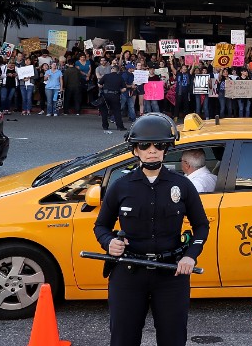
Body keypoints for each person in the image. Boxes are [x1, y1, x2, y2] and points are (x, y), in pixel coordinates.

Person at [93, 113, 209, 346]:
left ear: (167, 148)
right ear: (135, 150)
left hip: (171, 273)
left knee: (173, 338)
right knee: (123, 338)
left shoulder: (182, 185)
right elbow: (101, 226)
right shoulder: (121, 186)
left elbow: (201, 225)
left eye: (159, 145)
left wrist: (190, 256)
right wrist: (108, 242)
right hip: (128, 272)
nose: (152, 150)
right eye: (144, 145)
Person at [99, 64, 126, 132]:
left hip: (105, 95)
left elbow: (99, 84)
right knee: (117, 111)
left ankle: (105, 126)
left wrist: (103, 87)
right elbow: (124, 89)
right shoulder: (120, 77)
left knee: (104, 111)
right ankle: (120, 127)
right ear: (117, 71)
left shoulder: (106, 76)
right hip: (115, 95)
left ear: (112, 69)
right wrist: (118, 91)